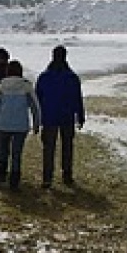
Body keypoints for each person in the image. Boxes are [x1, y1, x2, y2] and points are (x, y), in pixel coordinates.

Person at [35, 45, 86, 188]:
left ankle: (47, 177)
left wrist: (37, 118)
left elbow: (38, 98)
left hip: (49, 117)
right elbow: (78, 99)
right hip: (67, 116)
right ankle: (67, 174)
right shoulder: (71, 77)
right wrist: (80, 116)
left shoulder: (44, 77)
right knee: (67, 146)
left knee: (49, 148)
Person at [0, 60, 42, 190]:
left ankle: (1, 174)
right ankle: (14, 178)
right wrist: (37, 123)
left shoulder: (2, 85)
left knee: (2, 150)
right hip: (20, 125)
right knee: (16, 153)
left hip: (3, 123)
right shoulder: (26, 86)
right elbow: (35, 107)